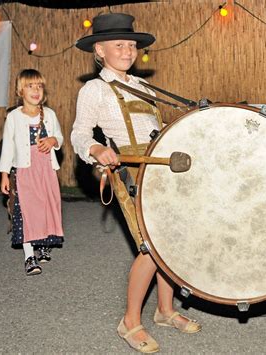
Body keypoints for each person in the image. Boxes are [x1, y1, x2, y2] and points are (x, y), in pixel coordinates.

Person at [71, 13, 201, 353]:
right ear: (99, 49)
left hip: (159, 165)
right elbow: (79, 133)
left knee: (170, 240)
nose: (128, 51)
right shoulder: (94, 90)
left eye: (131, 45)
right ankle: (129, 321)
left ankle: (165, 309)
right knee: (151, 244)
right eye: (119, 45)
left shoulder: (143, 86)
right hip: (128, 168)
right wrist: (96, 148)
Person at [0, 69, 64, 275]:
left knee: (46, 208)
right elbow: (8, 147)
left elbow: (59, 138)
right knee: (28, 212)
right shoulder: (14, 117)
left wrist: (53, 140)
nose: (36, 90)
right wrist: (4, 174)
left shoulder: (50, 114)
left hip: (46, 170)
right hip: (26, 172)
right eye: (30, 86)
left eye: (39, 86)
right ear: (20, 91)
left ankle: (43, 242)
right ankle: (29, 256)